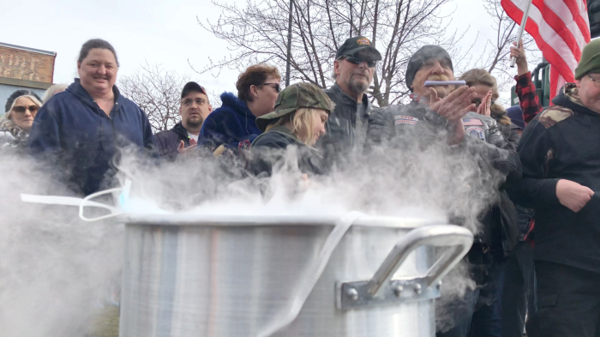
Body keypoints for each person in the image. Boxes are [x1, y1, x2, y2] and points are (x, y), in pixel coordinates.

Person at [366, 45, 520, 337]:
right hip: (428, 253)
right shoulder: (388, 116)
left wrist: (463, 142)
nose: (438, 69)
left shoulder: (483, 122)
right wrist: (432, 128)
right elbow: (378, 167)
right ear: (412, 80)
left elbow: (512, 167)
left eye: (445, 65)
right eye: (427, 65)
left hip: (487, 251)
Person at [511, 38, 600, 337]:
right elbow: (515, 184)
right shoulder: (549, 123)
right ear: (580, 78)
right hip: (568, 272)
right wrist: (555, 190)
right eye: (598, 79)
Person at [29, 39, 155, 196]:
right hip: (72, 212)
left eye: (109, 66)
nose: (102, 71)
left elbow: (151, 161)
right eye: (94, 64)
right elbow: (40, 164)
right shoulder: (57, 107)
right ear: (79, 66)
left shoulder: (134, 112)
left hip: (130, 211)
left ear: (116, 70)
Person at [317, 36, 381, 166]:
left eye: (370, 62)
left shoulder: (379, 116)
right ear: (337, 67)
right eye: (355, 59)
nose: (364, 66)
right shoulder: (314, 103)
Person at [502, 105, 536, 337]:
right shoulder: (505, 153)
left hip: (529, 237)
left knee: (535, 301)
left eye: (516, 130)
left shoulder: (535, 154)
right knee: (509, 301)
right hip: (508, 237)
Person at [250, 82, 333, 177]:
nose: (323, 130)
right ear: (302, 113)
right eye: (322, 119)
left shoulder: (305, 152)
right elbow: (273, 188)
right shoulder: (271, 144)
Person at [198, 64, 280, 156]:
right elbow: (206, 160)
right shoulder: (222, 117)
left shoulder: (275, 126)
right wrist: (260, 144)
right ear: (254, 90)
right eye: (276, 88)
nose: (280, 94)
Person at [154, 82, 213, 160]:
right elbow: (143, 166)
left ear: (210, 109)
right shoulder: (161, 140)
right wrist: (179, 159)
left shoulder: (224, 142)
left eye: (199, 101)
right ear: (180, 110)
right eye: (187, 102)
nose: (193, 106)